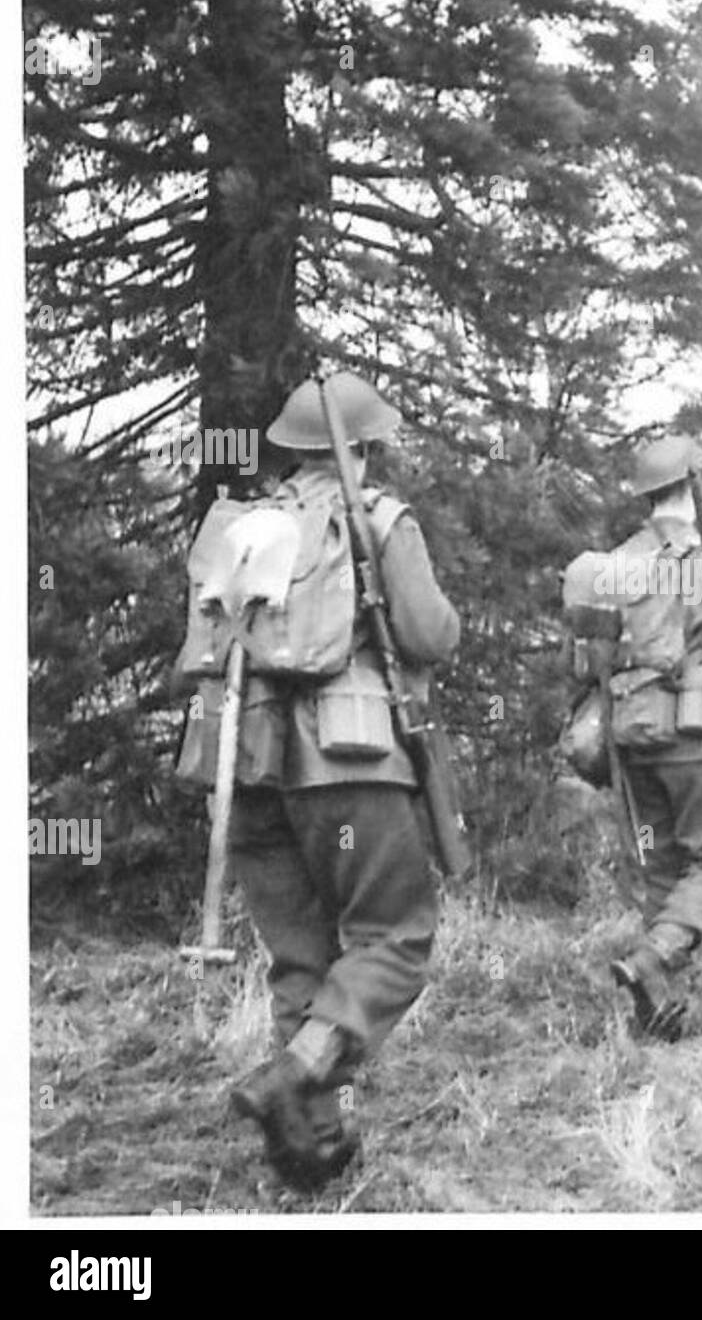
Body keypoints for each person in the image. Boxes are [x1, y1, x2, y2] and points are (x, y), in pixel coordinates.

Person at [175, 372, 459, 1189]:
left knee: (300, 955)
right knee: (393, 938)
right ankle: (294, 1078)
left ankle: (308, 1150)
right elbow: (430, 636)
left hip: (251, 769)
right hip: (352, 761)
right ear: (361, 450)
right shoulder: (377, 519)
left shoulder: (242, 529)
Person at [571, 435, 702, 1039]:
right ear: (691, 492)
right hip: (699, 730)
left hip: (631, 733)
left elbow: (588, 660)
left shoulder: (613, 565)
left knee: (662, 869)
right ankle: (653, 960)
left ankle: (656, 1009)